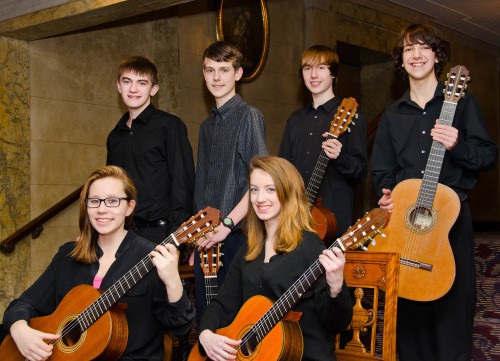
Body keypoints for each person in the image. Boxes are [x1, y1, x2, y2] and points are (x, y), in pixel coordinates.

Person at [372, 23, 497, 361]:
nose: (416, 54)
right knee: (408, 314)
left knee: (451, 313)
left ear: (437, 55)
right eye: (409, 48)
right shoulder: (392, 115)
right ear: (401, 59)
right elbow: (382, 170)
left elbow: (487, 155)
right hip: (406, 225)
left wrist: (457, 144)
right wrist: (385, 194)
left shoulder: (461, 102)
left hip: (450, 224)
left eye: (424, 47)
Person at [2, 166, 195, 361]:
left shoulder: (152, 256)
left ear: (129, 207)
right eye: (94, 201)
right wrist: (20, 329)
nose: (102, 209)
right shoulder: (68, 255)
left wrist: (172, 282)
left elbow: (181, 327)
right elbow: (23, 304)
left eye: (113, 201)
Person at [196, 156, 352, 361]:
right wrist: (205, 334)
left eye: (270, 189)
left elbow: (337, 324)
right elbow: (222, 303)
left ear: (288, 192)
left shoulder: (310, 246)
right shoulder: (247, 251)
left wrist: (336, 288)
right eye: (254, 189)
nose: (260, 198)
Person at [192, 41, 268, 321]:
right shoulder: (206, 126)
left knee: (235, 323)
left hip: (238, 237)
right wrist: (196, 237)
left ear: (237, 74)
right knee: (206, 321)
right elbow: (203, 186)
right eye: (209, 70)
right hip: (206, 240)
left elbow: (261, 183)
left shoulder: (249, 116)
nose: (216, 78)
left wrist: (226, 225)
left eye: (223, 70)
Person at [278, 45, 367, 238]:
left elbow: (360, 171)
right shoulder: (295, 120)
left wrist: (340, 157)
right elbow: (283, 171)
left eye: (321, 68)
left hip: (334, 222)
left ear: (333, 73)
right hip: (297, 219)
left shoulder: (352, 117)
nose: (314, 75)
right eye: (307, 69)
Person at [107, 56, 195, 244]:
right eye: (127, 81)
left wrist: (176, 235)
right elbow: (111, 186)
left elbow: (183, 182)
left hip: (159, 233)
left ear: (153, 89)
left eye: (142, 83)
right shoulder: (115, 136)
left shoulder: (169, 126)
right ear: (118, 86)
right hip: (120, 233)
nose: (133, 89)